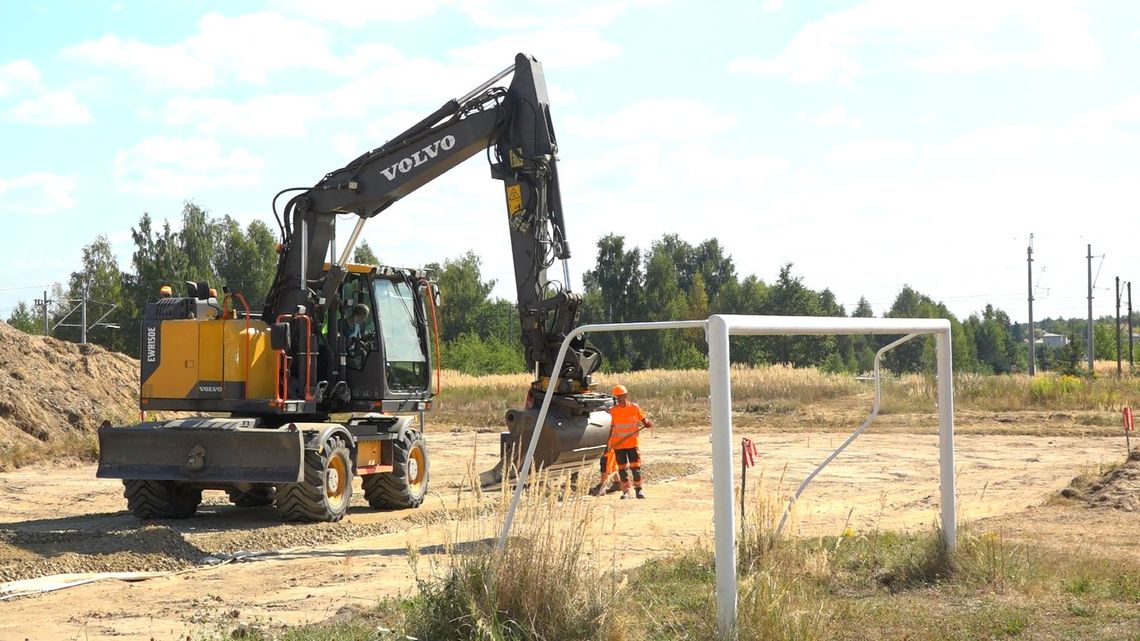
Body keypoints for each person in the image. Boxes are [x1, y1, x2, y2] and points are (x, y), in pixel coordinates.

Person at [605, 384, 652, 499]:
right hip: (619, 445)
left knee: (636, 468)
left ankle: (638, 490)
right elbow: (610, 429)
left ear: (626, 395)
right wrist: (608, 443)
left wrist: (647, 423)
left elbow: (644, 419)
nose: (620, 399)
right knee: (622, 469)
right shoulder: (612, 411)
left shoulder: (634, 408)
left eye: (622, 396)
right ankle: (625, 491)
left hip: (632, 444)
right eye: (617, 397)